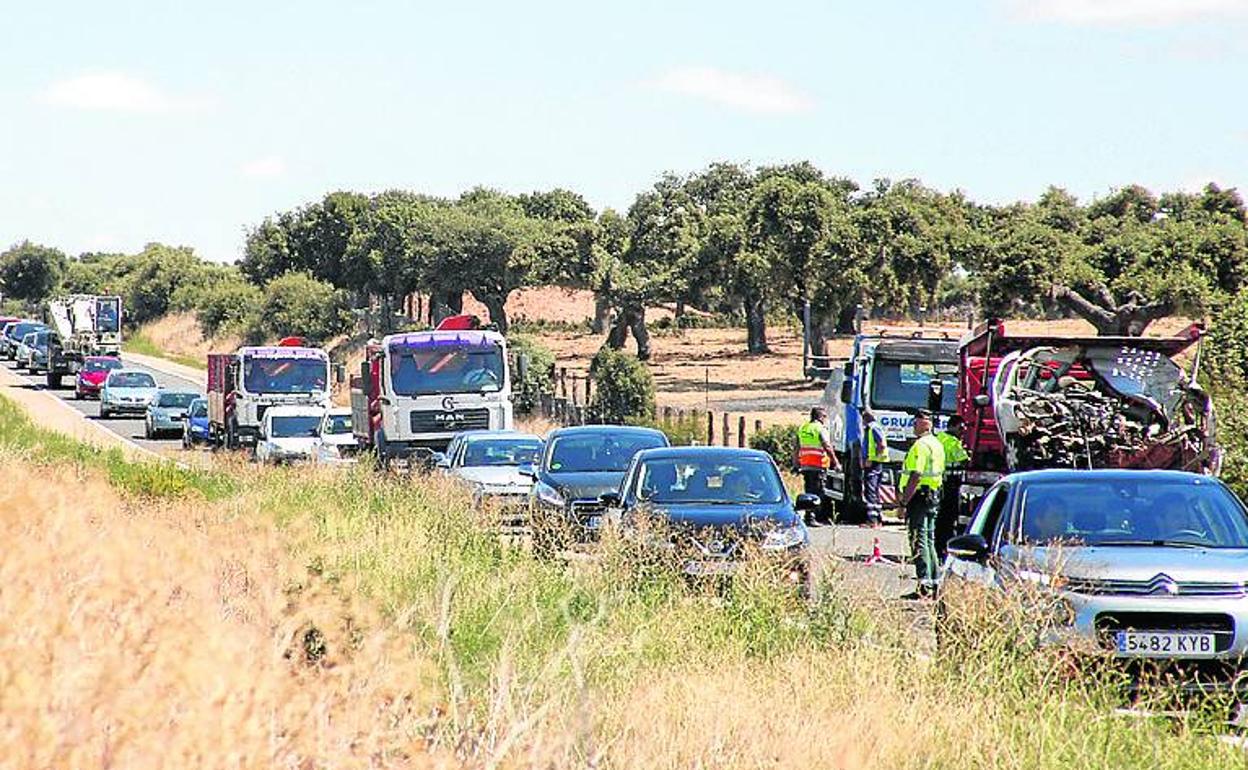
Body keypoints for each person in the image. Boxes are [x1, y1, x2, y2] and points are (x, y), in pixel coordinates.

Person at [898, 409, 946, 598]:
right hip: (933, 495)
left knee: (919, 539)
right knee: (929, 540)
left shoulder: (920, 446)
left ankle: (924, 585)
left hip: (919, 497)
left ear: (924, 423)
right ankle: (934, 582)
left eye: (915, 422)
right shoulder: (937, 444)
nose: (914, 426)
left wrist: (903, 502)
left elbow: (915, 475)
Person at [794, 406, 841, 526]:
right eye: (825, 417)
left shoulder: (803, 428)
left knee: (809, 490)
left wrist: (796, 463)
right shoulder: (820, 429)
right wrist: (836, 462)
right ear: (820, 417)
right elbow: (827, 446)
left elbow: (797, 448)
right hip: (818, 464)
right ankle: (812, 517)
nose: (826, 419)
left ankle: (809, 515)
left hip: (806, 465)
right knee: (818, 492)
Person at [934, 415, 970, 560]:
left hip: (940, 482)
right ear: (953, 426)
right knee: (949, 517)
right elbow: (963, 460)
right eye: (961, 428)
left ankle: (938, 546)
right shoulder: (953, 442)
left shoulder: (939, 437)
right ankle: (945, 547)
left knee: (941, 518)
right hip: (951, 484)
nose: (962, 432)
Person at [861, 409, 890, 528]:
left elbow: (881, 445)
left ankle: (872, 520)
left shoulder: (872, 428)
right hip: (876, 463)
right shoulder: (876, 427)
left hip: (873, 464)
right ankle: (878, 519)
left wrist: (871, 458)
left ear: (866, 418)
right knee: (875, 490)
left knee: (871, 490)